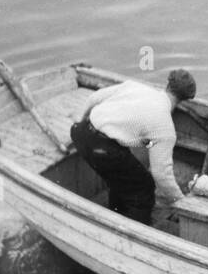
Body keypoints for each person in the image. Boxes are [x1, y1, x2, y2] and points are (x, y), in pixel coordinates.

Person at [70, 69, 196, 224]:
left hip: (79, 133)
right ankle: (135, 231)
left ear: (167, 84)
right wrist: (180, 203)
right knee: (143, 187)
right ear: (185, 99)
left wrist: (79, 120)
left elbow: (94, 97)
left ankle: (116, 214)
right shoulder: (164, 128)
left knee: (121, 177)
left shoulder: (135, 86)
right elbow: (161, 175)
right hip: (103, 151)